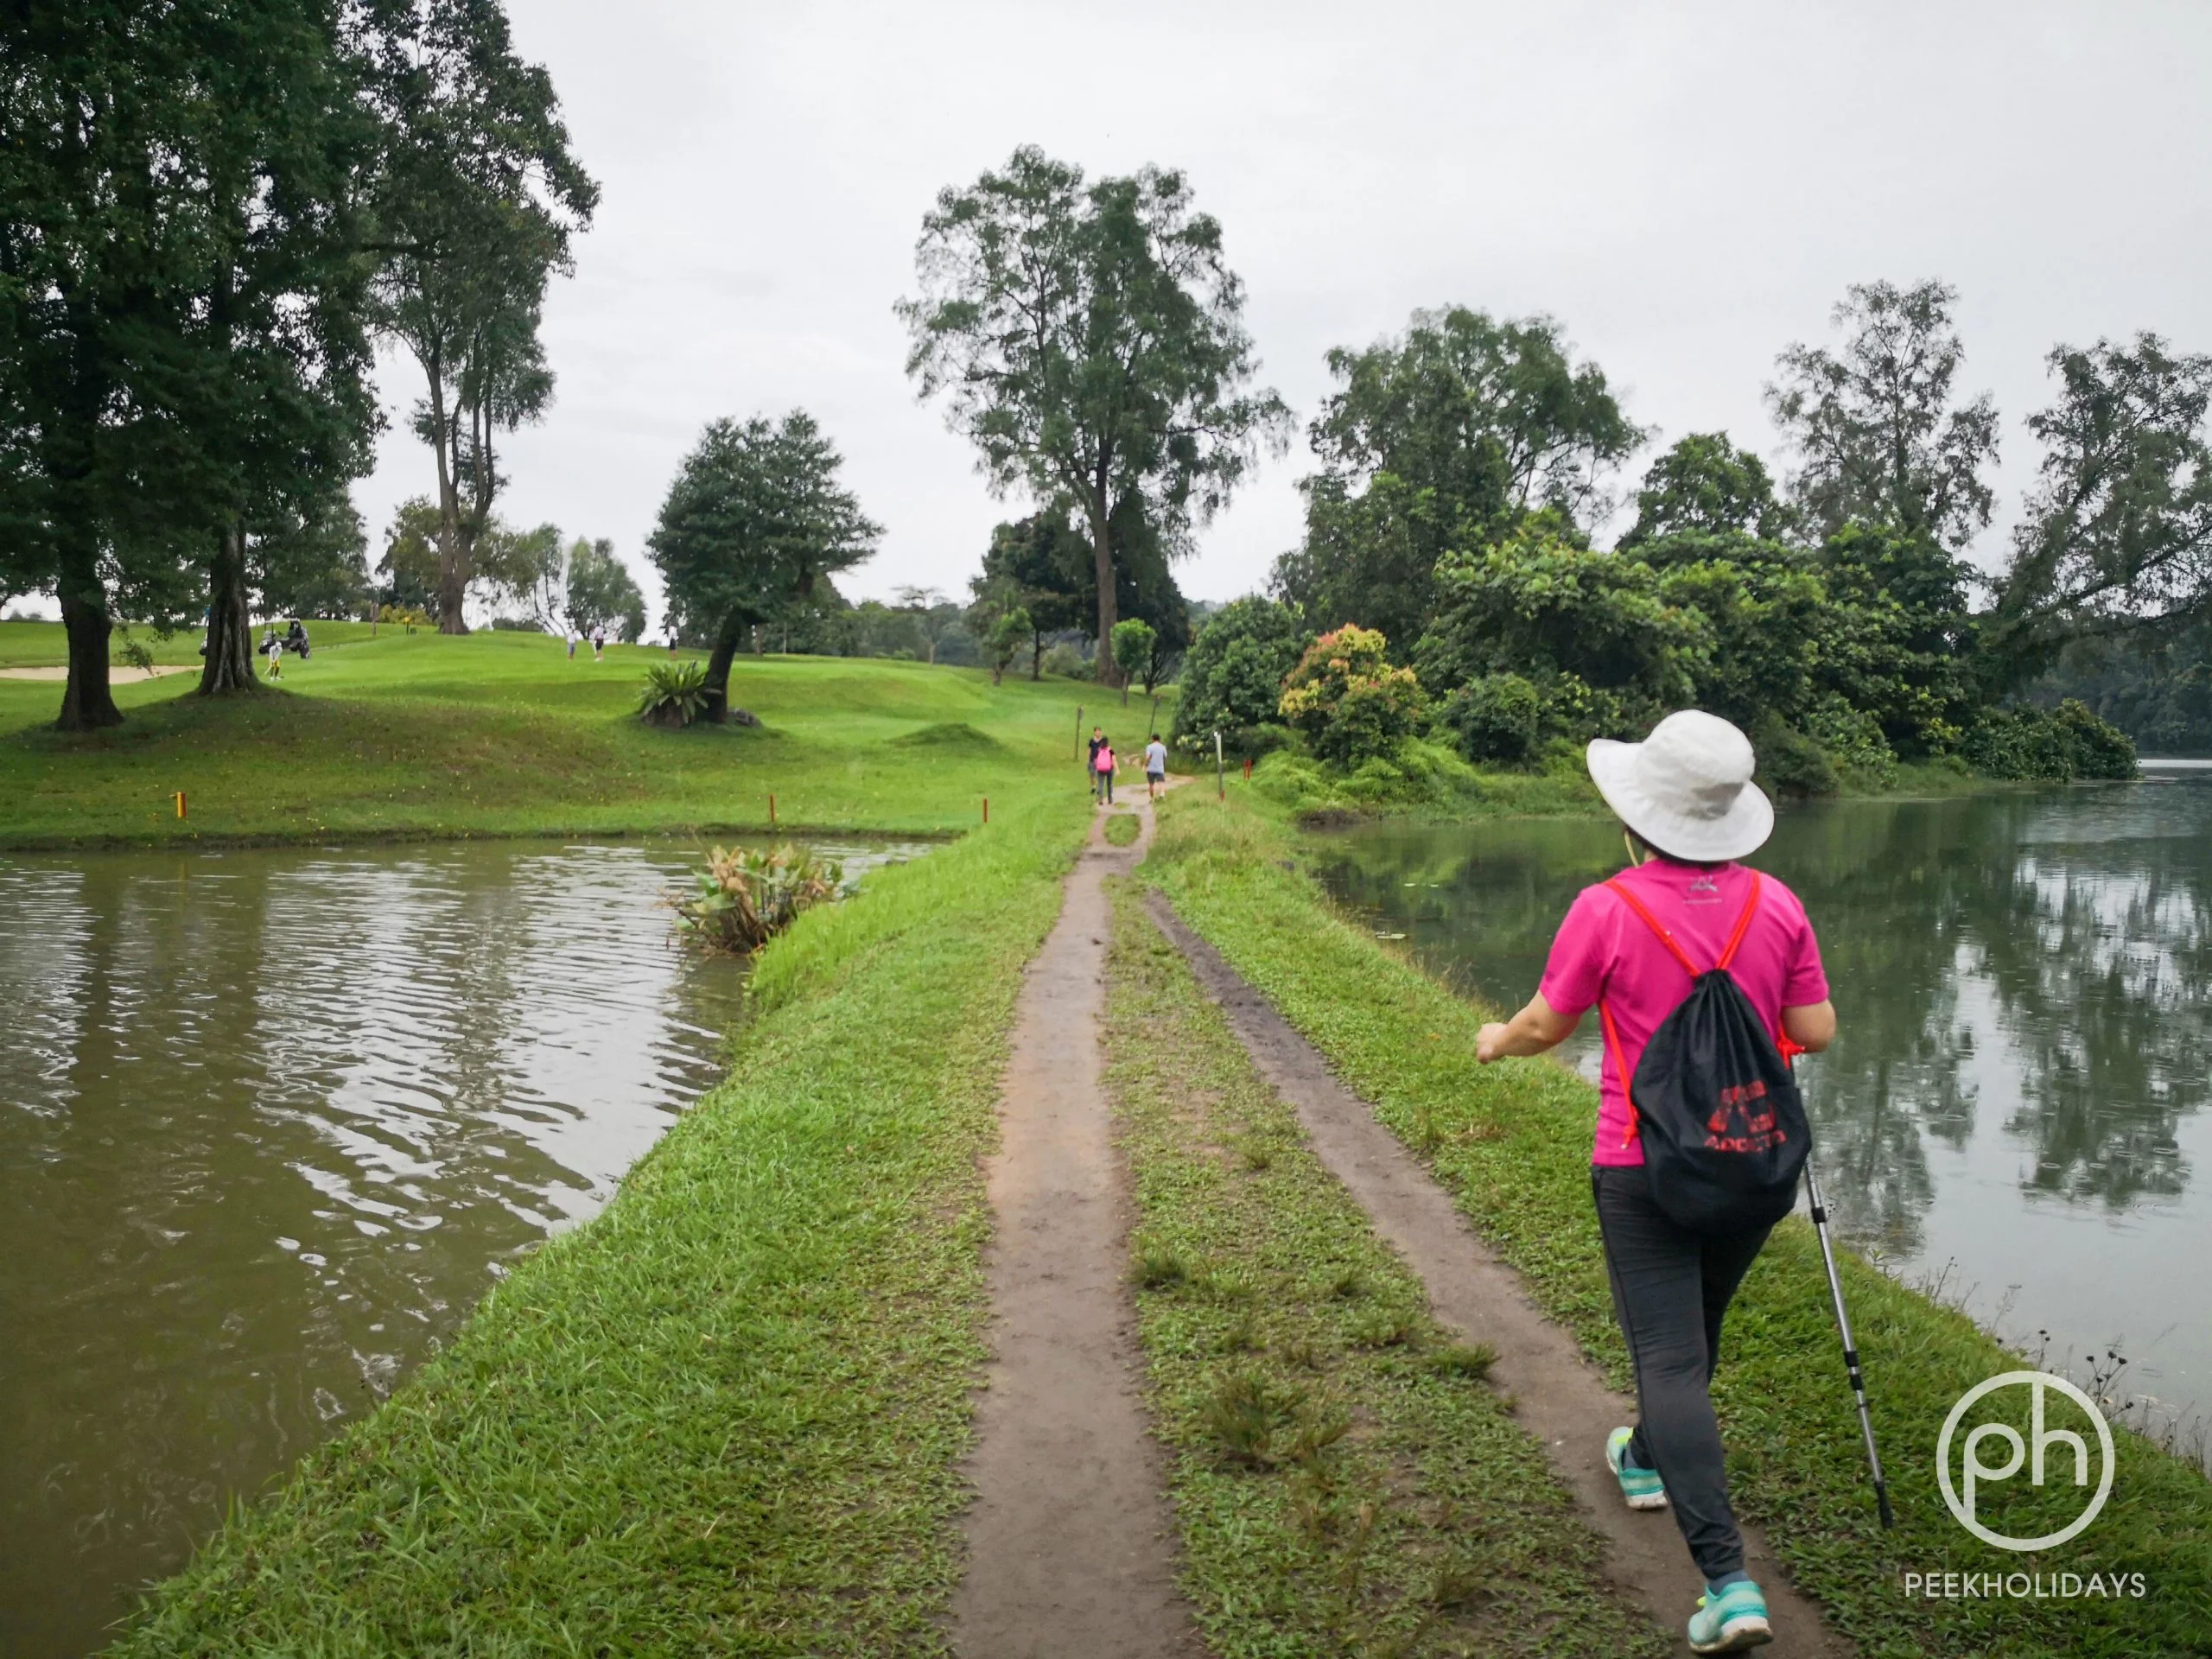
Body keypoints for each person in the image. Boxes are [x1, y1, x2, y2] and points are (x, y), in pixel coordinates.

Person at [1475, 709, 1835, 1656]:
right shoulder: (1778, 904)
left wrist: (1493, 1040)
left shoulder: (1608, 908)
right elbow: (1816, 1027)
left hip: (1643, 1168)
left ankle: (1726, 1583)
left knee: (1669, 1359)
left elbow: (1548, 1025)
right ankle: (1643, 1456)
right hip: (1752, 1162)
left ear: (1634, 814)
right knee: (1696, 1332)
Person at [1143, 732, 1168, 801]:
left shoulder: (1150, 747)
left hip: (1151, 769)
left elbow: (1148, 757)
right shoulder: (1163, 747)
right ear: (1159, 739)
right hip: (1160, 768)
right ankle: (1162, 794)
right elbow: (1165, 757)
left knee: (1151, 784)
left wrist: (1145, 765)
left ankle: (1152, 798)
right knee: (1161, 782)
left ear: (1152, 739)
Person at [1092, 736, 1115, 804]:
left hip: (1100, 770)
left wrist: (1097, 767)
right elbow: (1113, 759)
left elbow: (1095, 760)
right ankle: (1110, 799)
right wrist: (1115, 768)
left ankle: (1101, 800)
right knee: (1109, 784)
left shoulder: (1098, 750)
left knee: (1101, 784)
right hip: (1109, 769)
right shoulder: (1110, 750)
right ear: (1107, 743)